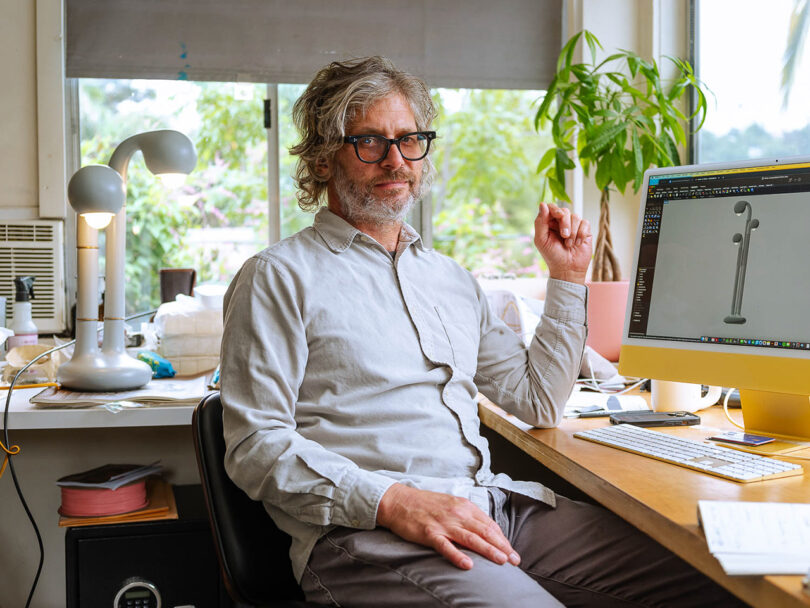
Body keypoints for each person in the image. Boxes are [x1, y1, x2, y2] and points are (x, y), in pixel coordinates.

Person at [220, 56, 746, 607]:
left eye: (410, 139)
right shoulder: (277, 277)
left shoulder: (450, 279)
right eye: (371, 141)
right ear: (325, 156)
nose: (396, 159)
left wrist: (567, 276)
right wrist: (395, 501)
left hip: (493, 507)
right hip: (369, 535)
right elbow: (257, 447)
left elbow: (538, 400)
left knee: (720, 580)